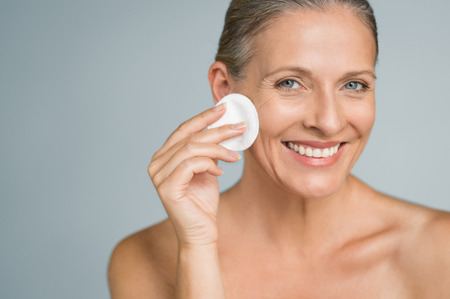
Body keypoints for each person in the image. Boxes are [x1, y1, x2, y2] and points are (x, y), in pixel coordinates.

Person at [108, 0, 450, 298]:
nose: (328, 122)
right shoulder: (145, 258)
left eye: (353, 85)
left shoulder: (440, 251)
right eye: (290, 83)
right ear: (226, 89)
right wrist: (198, 249)